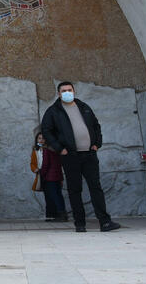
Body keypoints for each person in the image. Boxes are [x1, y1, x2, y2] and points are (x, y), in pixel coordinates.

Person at [41, 81, 120, 233]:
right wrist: (60, 149)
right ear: (58, 94)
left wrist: (97, 143)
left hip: (89, 154)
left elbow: (96, 125)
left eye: (69, 90)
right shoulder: (53, 111)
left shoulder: (84, 107)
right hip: (70, 156)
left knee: (95, 188)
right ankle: (80, 224)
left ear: (74, 91)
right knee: (74, 189)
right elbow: (46, 131)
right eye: (64, 91)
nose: (67, 93)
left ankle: (105, 222)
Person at [32, 130, 67, 222]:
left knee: (53, 196)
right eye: (39, 138)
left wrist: (42, 174)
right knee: (56, 195)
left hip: (49, 176)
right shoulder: (55, 149)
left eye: (43, 138)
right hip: (55, 175)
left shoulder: (47, 150)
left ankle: (59, 214)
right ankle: (56, 215)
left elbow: (46, 164)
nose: (41, 141)